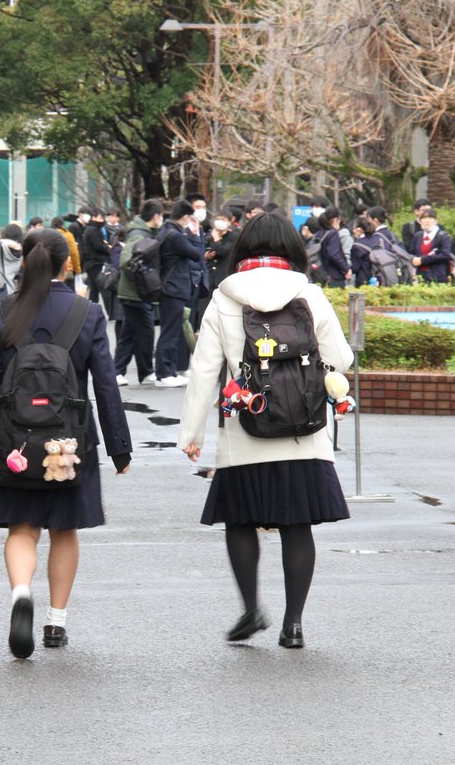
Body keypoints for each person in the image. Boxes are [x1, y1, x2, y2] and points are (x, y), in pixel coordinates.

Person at [178, 212, 353, 649]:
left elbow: (204, 371)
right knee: (297, 525)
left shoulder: (224, 297)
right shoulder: (309, 294)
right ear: (291, 248)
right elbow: (342, 359)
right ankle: (293, 624)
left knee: (239, 520)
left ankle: (252, 607)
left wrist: (192, 434)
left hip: (244, 427)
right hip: (304, 428)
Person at [0, 228, 132, 659]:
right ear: (67, 264)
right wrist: (120, 447)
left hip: (15, 442)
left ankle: (21, 593)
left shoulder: (3, 309)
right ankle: (56, 623)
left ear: (24, 262)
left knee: (22, 526)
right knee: (64, 530)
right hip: (70, 443)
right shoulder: (87, 312)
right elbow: (105, 383)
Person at [113, 199, 165, 387]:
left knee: (129, 334)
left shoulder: (142, 231)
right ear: (155, 217)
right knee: (145, 333)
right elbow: (125, 261)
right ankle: (144, 372)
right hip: (135, 293)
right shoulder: (138, 235)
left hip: (133, 293)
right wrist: (145, 271)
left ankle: (118, 371)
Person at [154, 199, 204, 388]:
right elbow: (196, 254)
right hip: (173, 288)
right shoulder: (175, 236)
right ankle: (165, 373)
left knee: (169, 331)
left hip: (169, 288)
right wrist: (196, 233)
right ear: (185, 217)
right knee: (170, 332)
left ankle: (167, 371)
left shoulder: (166, 230)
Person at [81, 208, 113, 314]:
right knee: (104, 288)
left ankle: (90, 312)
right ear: (94, 217)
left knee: (94, 290)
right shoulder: (93, 230)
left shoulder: (89, 229)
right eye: (100, 217)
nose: (102, 220)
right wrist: (108, 248)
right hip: (96, 263)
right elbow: (98, 246)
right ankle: (110, 312)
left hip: (90, 263)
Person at [308, 207, 350, 288]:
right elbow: (334, 254)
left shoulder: (317, 234)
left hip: (319, 275)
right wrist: (346, 269)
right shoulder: (333, 234)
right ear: (335, 220)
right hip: (333, 277)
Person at [410, 207, 453, 284]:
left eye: (430, 217)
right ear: (420, 221)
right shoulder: (417, 236)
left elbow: (445, 254)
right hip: (420, 277)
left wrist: (422, 260)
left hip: (438, 277)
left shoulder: (444, 236)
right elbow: (412, 252)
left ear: (436, 221)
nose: (427, 220)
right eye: (424, 218)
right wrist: (413, 259)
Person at [50, 216, 82, 289]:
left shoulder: (48, 235)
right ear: (62, 225)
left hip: (50, 270)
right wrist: (78, 270)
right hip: (66, 270)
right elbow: (74, 253)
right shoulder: (68, 235)